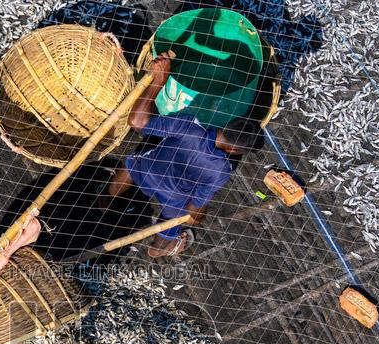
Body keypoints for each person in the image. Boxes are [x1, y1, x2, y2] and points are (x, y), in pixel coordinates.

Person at [106, 52, 263, 258]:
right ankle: (159, 248)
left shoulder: (190, 126)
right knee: (188, 216)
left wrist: (158, 82)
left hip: (145, 169)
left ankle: (106, 203)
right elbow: (194, 209)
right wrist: (197, 216)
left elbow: (137, 122)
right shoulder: (222, 170)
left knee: (133, 162)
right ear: (233, 150)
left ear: (227, 125)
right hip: (173, 198)